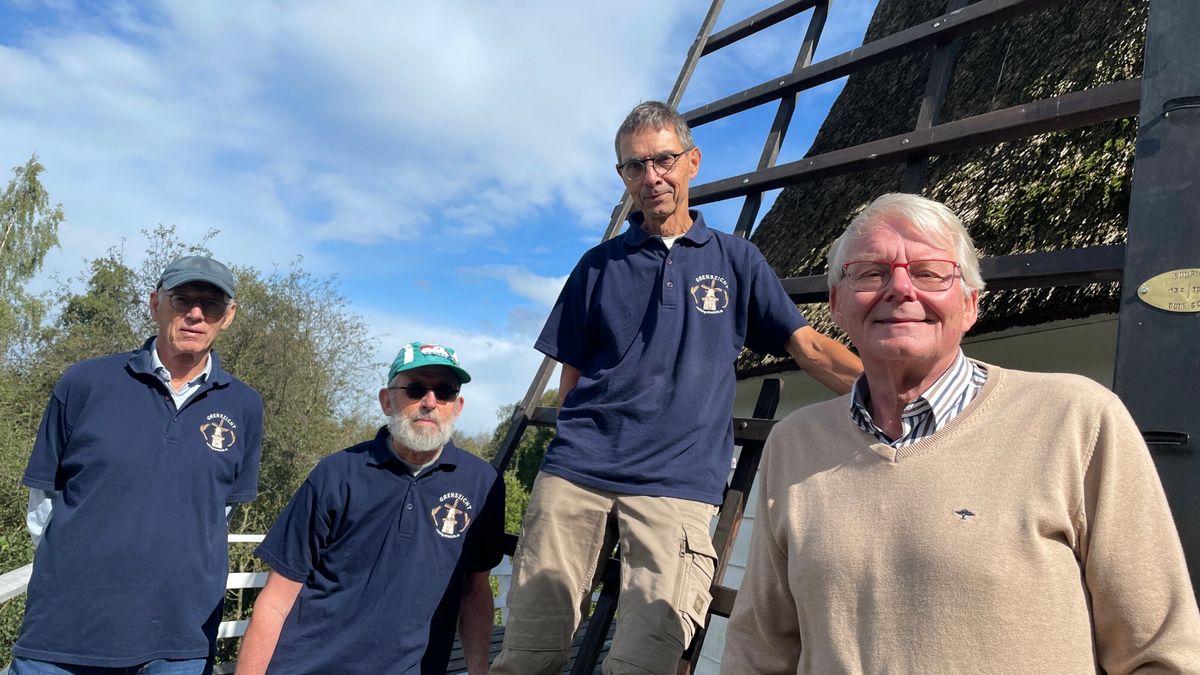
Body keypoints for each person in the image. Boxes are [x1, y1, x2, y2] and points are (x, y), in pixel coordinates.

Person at [722, 193, 1200, 673]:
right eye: (870, 273)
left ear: (971, 304)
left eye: (930, 273)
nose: (900, 289)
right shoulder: (795, 442)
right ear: (837, 305)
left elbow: (1160, 653)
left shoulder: (1077, 419)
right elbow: (759, 649)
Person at [492, 101, 863, 675]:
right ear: (622, 176)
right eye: (634, 166)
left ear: (692, 161)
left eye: (662, 160)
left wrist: (901, 393)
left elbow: (808, 347)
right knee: (527, 656)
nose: (651, 177)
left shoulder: (737, 261)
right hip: (576, 477)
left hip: (677, 484)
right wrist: (575, 446)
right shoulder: (597, 265)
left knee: (645, 662)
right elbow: (571, 374)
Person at [13, 256, 263, 674]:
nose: (196, 314)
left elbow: (218, 511)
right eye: (182, 299)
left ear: (228, 316)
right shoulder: (84, 384)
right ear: (155, 303)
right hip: (63, 636)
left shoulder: (245, 406)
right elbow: (43, 505)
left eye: (211, 305)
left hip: (179, 643)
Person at [236, 341, 505, 675]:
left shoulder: (482, 484)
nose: (430, 402)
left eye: (445, 391)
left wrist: (479, 669)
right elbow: (276, 599)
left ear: (458, 406)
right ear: (387, 400)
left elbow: (474, 591)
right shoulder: (336, 474)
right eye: (416, 389)